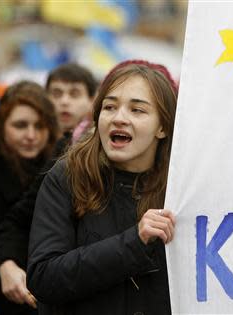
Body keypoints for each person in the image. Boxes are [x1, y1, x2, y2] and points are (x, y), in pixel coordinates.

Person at [27, 60, 178, 315]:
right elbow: (43, 277)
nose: (119, 118)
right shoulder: (67, 177)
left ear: (162, 127)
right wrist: (135, 242)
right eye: (109, 107)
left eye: (137, 110)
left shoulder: (180, 187)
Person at [0, 63, 97, 312]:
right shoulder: (55, 154)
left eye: (74, 94)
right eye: (56, 93)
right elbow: (19, 218)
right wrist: (6, 263)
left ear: (93, 100)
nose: (63, 102)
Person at [0, 81, 59, 315]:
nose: (31, 135)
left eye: (39, 126)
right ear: (1, 126)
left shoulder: (62, 168)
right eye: (21, 125)